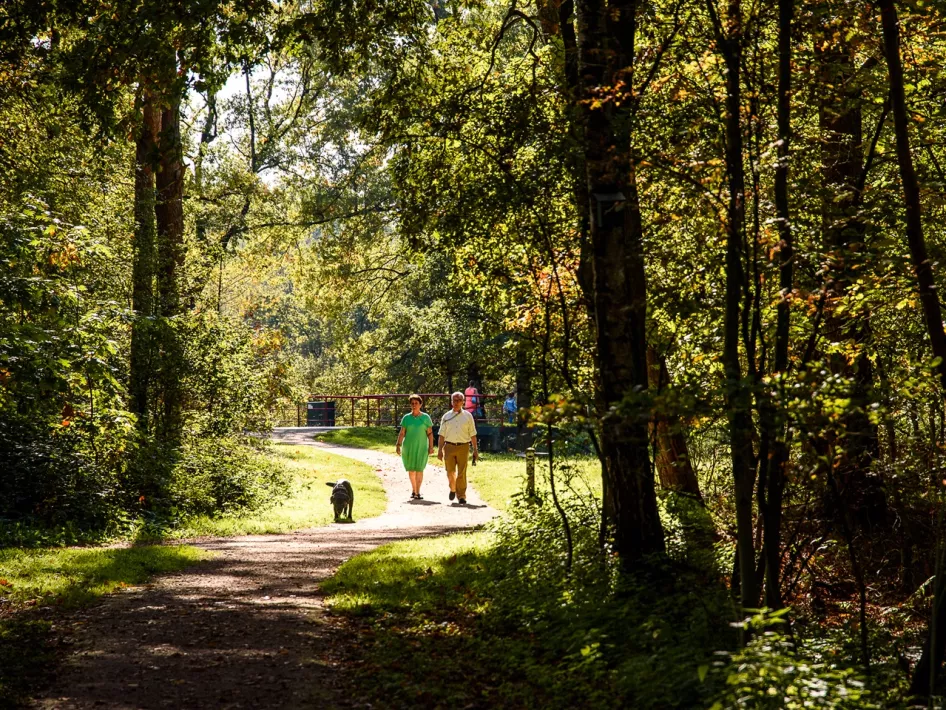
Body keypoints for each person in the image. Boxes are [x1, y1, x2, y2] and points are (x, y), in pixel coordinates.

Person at [437, 391, 478, 505]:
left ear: (463, 402)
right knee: (450, 472)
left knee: (462, 472)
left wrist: (475, 449)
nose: (457, 402)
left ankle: (461, 496)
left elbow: (473, 434)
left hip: (463, 446)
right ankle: (453, 488)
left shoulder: (468, 416)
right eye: (455, 400)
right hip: (449, 446)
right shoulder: (446, 416)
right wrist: (440, 450)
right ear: (451, 402)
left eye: (459, 400)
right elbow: (441, 435)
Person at [396, 394, 434, 500]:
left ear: (420, 404)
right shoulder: (406, 418)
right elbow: (402, 432)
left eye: (416, 403)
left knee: (419, 468)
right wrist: (398, 444)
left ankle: (418, 492)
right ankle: (413, 489)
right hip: (409, 446)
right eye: (412, 403)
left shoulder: (426, 418)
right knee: (411, 469)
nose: (414, 405)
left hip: (422, 447)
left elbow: (430, 434)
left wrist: (431, 447)